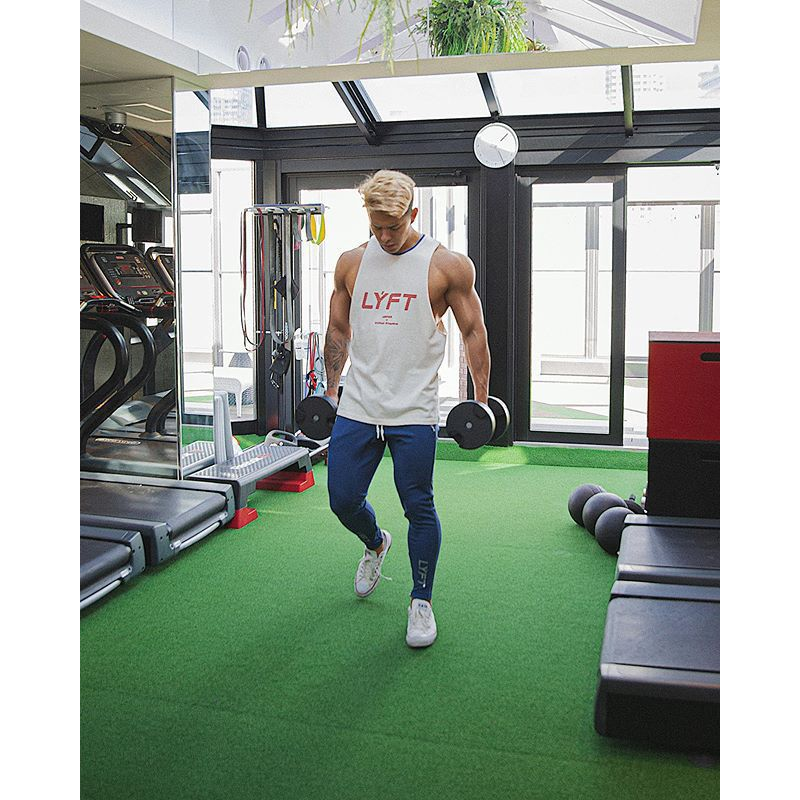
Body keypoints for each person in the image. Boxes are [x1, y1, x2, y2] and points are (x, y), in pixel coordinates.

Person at [323, 169, 491, 648]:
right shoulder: (351, 263)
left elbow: (473, 332)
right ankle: (376, 543)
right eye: (376, 227)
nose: (385, 236)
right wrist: (331, 390)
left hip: (414, 409)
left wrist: (480, 402)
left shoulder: (446, 266)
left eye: (393, 226)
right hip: (358, 403)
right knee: (341, 500)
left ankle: (421, 600)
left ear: (413, 213)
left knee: (418, 504)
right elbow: (338, 330)